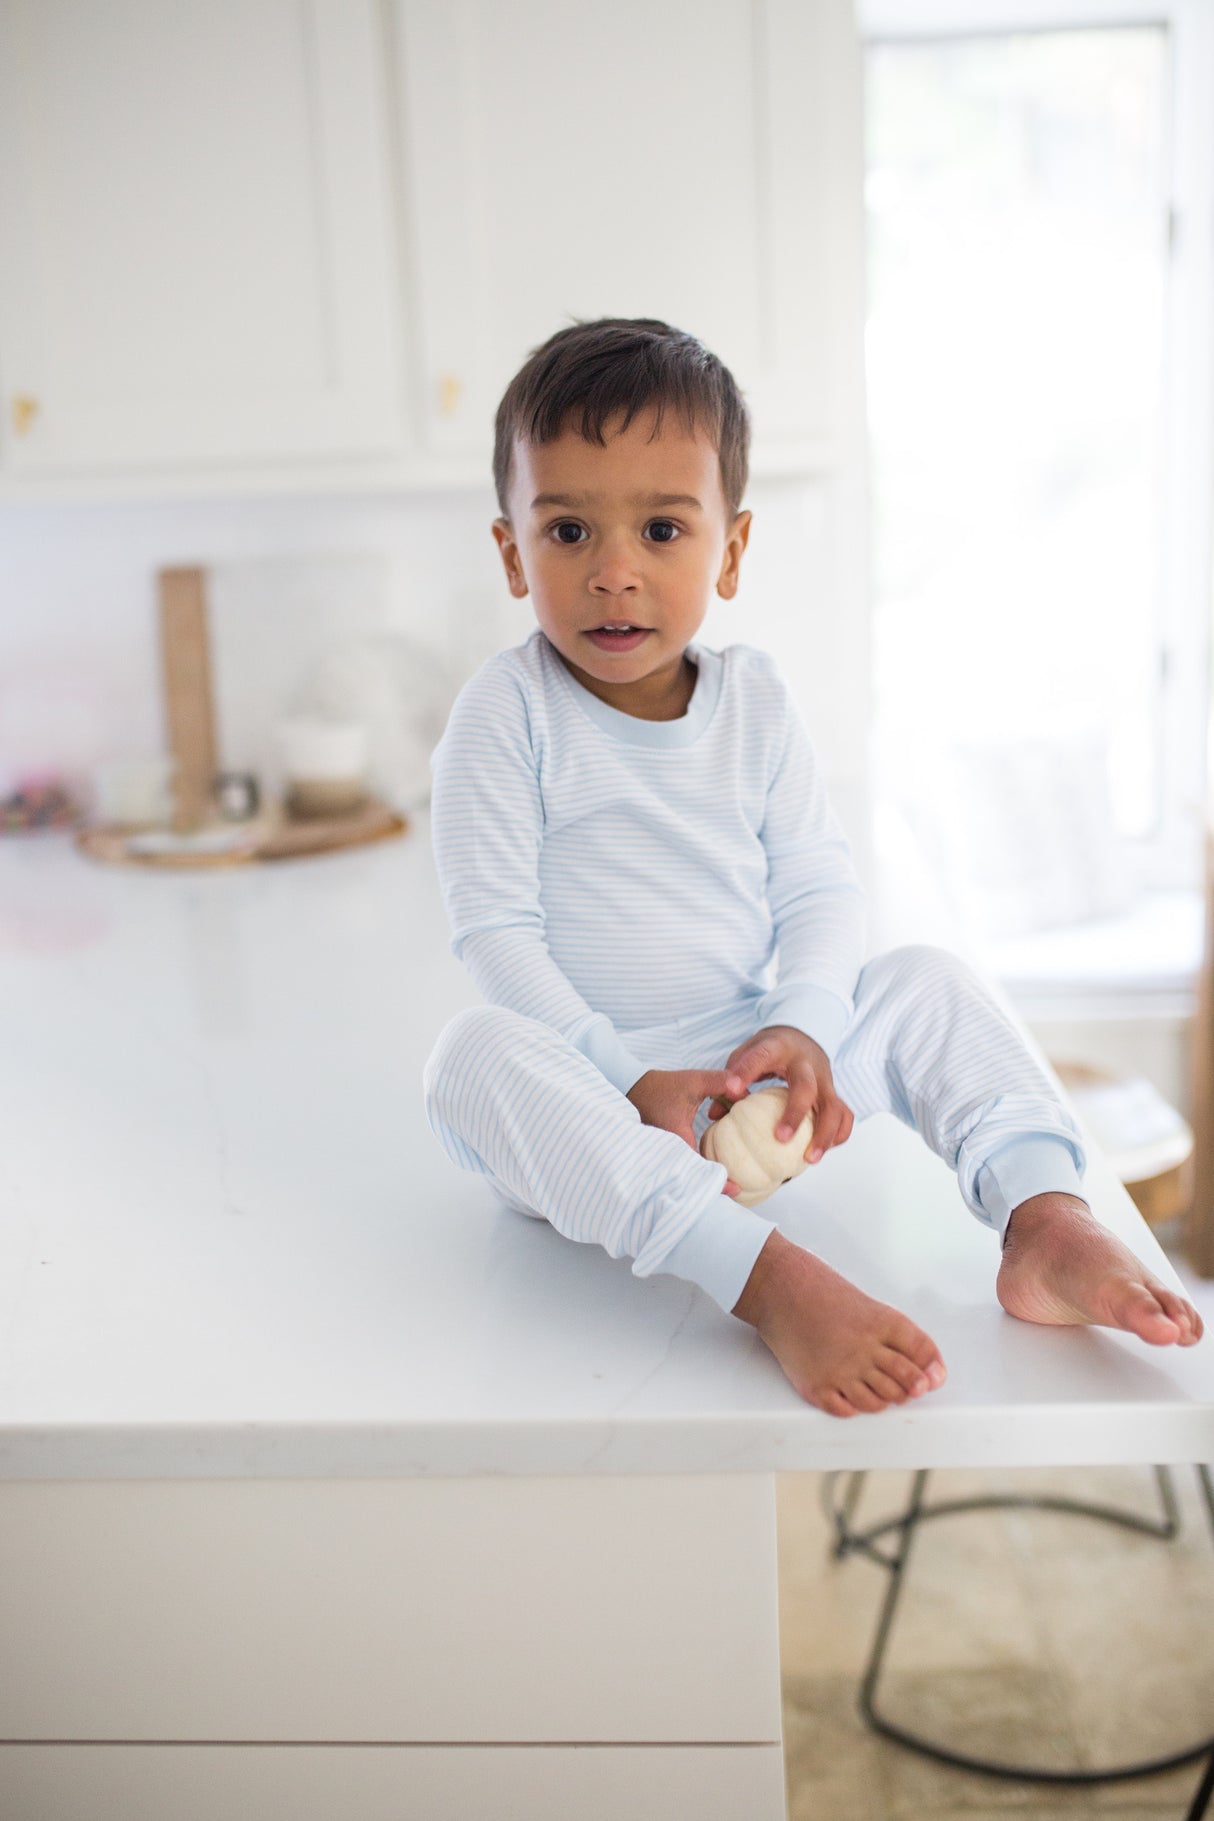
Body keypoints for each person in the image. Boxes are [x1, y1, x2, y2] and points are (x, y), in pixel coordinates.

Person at [422, 316, 1202, 1417]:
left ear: (728, 551)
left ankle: (1042, 1218)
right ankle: (761, 1277)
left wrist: (806, 1030)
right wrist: (626, 1080)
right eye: (565, 533)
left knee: (926, 980)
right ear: (510, 551)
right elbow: (495, 934)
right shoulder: (505, 714)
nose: (612, 574)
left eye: (658, 528)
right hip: (596, 1112)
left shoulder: (757, 705)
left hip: (756, 1077)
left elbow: (819, 890)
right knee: (470, 1054)